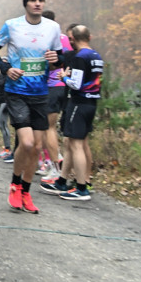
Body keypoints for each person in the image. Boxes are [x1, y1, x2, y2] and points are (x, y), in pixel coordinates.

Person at [0, 0, 63, 214]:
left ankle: (26, 192)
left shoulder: (53, 28)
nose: (37, 4)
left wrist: (56, 59)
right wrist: (6, 68)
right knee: (27, 143)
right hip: (16, 91)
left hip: (40, 93)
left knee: (37, 147)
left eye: (41, 0)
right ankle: (14, 184)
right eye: (33, 0)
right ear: (26, 4)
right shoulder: (12, 25)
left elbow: (60, 59)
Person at [42, 24, 102, 201]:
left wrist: (63, 77)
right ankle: (62, 181)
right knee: (71, 142)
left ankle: (82, 187)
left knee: (76, 145)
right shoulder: (96, 56)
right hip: (92, 102)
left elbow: (75, 83)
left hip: (79, 102)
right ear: (89, 37)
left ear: (73, 39)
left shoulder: (80, 57)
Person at [38, 9, 69, 178]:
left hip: (50, 85)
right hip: (65, 86)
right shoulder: (65, 38)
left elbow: (45, 64)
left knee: (47, 128)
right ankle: (57, 162)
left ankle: (54, 166)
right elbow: (71, 58)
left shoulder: (47, 39)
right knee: (56, 128)